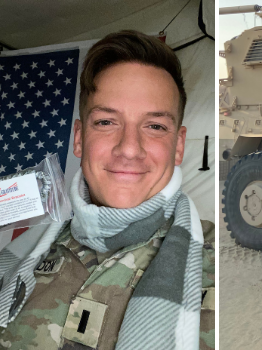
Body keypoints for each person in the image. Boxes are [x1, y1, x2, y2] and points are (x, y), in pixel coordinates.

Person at [0, 31, 215, 349]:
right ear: (78, 137)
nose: (129, 148)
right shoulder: (24, 252)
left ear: (179, 145)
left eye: (154, 126)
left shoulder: (213, 264)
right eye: (106, 122)